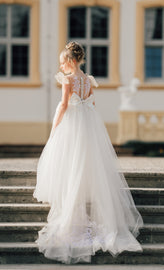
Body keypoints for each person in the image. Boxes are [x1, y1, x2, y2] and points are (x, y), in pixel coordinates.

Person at [33, 41, 144, 264]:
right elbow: (90, 100)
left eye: (63, 63)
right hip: (87, 123)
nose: (61, 67)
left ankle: (70, 205)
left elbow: (64, 105)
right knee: (84, 161)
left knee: (69, 160)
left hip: (72, 124)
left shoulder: (68, 79)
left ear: (70, 61)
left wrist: (55, 126)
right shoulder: (87, 80)